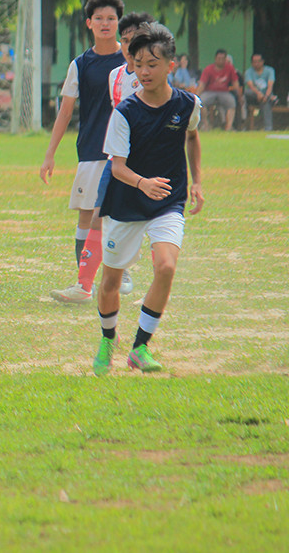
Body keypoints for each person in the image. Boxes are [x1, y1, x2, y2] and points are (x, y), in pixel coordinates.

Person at [92, 22, 203, 376]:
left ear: (171, 65)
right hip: (126, 202)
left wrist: (197, 181)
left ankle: (140, 347)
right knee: (110, 283)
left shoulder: (188, 104)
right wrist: (143, 184)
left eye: (152, 64)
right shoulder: (125, 112)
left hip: (168, 200)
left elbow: (193, 137)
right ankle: (109, 337)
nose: (143, 72)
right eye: (138, 64)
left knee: (166, 267)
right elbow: (118, 167)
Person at [52, 12, 154, 303]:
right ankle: (84, 286)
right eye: (124, 40)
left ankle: (148, 284)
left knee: (151, 222)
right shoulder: (116, 76)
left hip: (148, 160)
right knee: (98, 217)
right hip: (116, 159)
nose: (128, 46)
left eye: (134, 40)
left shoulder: (154, 75)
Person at [41, 0, 125, 304]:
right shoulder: (81, 64)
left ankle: (116, 274)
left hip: (124, 152)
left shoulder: (131, 62)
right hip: (91, 150)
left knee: (115, 216)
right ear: (89, 23)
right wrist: (50, 153)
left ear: (119, 23)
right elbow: (65, 111)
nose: (106, 23)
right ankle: (84, 284)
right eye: (99, 18)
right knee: (87, 216)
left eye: (111, 18)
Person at [196, 49, 240, 131]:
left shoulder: (230, 68)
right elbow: (202, 84)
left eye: (222, 58)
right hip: (210, 92)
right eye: (219, 58)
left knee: (231, 102)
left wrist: (238, 94)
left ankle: (229, 127)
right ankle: (206, 124)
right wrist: (196, 96)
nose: (220, 61)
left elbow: (235, 82)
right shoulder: (208, 69)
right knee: (201, 102)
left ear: (225, 59)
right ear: (215, 58)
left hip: (224, 92)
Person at [244, 53, 276, 131]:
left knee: (266, 101)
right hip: (253, 95)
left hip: (265, 95)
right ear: (251, 63)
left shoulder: (270, 70)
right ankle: (244, 125)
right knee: (245, 92)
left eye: (258, 61)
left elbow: (270, 86)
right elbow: (250, 85)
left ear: (263, 62)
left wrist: (265, 96)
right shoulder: (248, 72)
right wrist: (259, 94)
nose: (256, 63)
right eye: (254, 62)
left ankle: (268, 128)